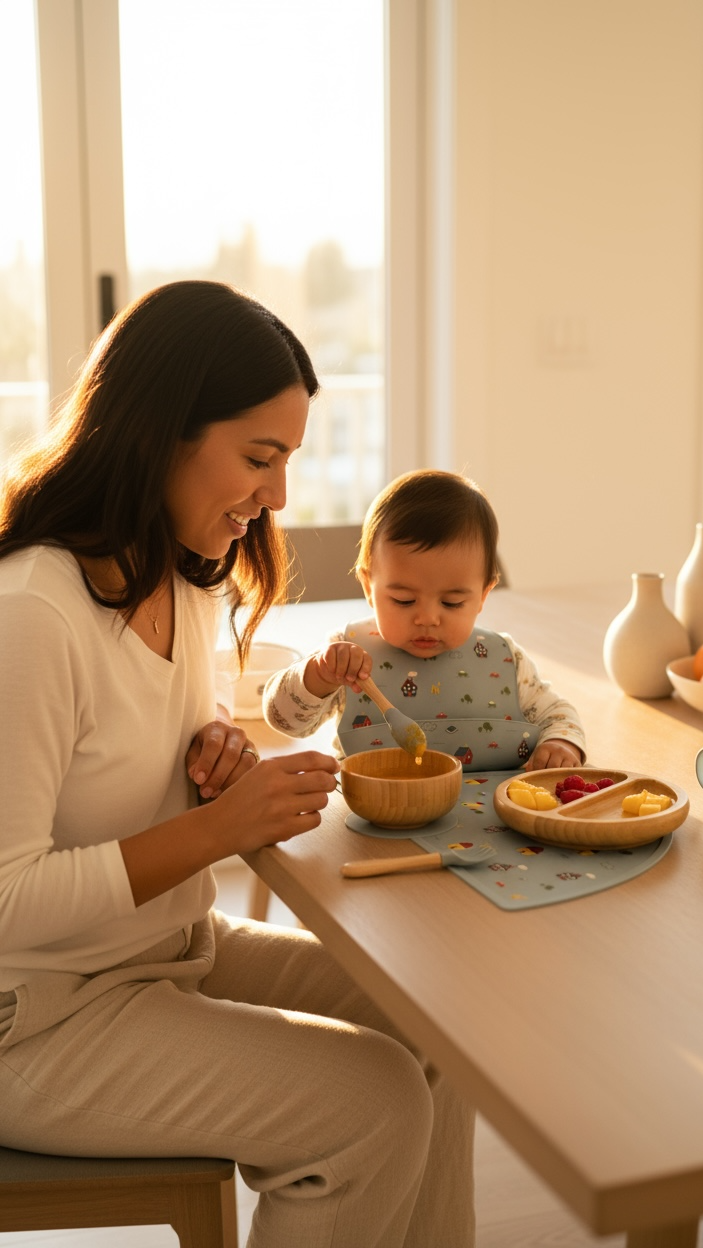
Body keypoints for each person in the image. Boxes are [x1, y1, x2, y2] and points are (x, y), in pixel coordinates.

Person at [0, 281, 475, 1248]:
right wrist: (217, 826)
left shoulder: (179, 569)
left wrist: (212, 746)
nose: (279, 495)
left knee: (443, 1029)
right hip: (36, 1014)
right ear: (159, 430)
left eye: (288, 459)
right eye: (260, 458)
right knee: (370, 1106)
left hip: (165, 952)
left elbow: (143, 736)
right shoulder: (33, 613)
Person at [264, 470, 586, 771]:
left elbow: (558, 715)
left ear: (483, 595)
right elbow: (284, 720)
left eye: (452, 602)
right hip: (378, 818)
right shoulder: (347, 655)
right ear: (368, 587)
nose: (427, 618)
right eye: (404, 600)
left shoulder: (504, 660)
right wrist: (319, 676)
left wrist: (561, 743)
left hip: (490, 820)